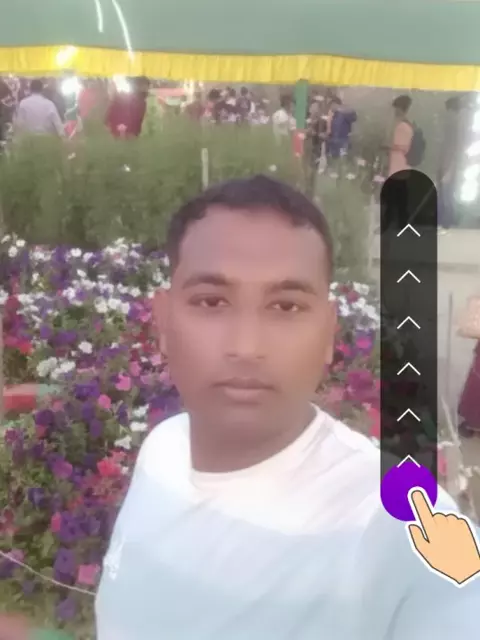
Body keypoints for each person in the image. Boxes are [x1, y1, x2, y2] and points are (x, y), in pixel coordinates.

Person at [95, 175, 479, 640]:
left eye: (286, 307)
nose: (246, 347)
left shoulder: (397, 514)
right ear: (163, 322)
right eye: (211, 301)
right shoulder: (163, 448)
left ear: (329, 333)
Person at [437, 95, 469, 230]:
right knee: (445, 193)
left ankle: (446, 221)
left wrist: (449, 168)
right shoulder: (454, 125)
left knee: (447, 193)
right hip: (446, 163)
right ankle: (445, 220)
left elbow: (455, 148)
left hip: (449, 164)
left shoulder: (455, 125)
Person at [325, 96, 357, 165]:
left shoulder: (345, 113)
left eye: (331, 106)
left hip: (343, 141)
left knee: (342, 161)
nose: (330, 108)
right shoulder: (334, 115)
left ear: (335, 104)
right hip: (334, 142)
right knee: (334, 161)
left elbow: (354, 117)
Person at [388, 95, 414, 177]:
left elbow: (400, 146)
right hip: (400, 162)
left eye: (396, 108)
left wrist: (387, 146)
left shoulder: (402, 126)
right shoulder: (407, 125)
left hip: (397, 161)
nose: (395, 111)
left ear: (400, 109)